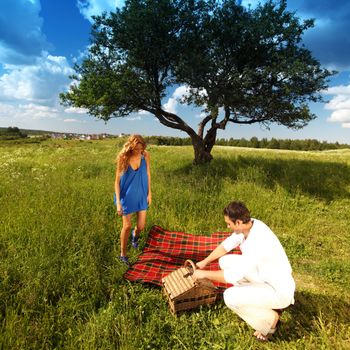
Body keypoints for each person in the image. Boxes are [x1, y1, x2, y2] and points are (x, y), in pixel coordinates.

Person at [193, 201, 295, 342]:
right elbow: (225, 246)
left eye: (229, 224)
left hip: (278, 291)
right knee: (224, 261)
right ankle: (255, 298)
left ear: (239, 222)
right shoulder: (252, 224)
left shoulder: (257, 242)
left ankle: (270, 322)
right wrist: (205, 262)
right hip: (266, 277)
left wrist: (204, 274)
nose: (227, 227)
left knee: (229, 297)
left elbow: (231, 275)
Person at [114, 135, 152, 266]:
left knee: (141, 226)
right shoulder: (123, 157)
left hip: (141, 194)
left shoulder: (145, 155)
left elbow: (147, 174)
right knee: (127, 225)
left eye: (141, 149)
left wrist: (149, 193)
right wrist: (118, 202)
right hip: (126, 196)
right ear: (131, 147)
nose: (138, 152)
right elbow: (117, 182)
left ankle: (134, 237)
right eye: (136, 149)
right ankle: (123, 254)